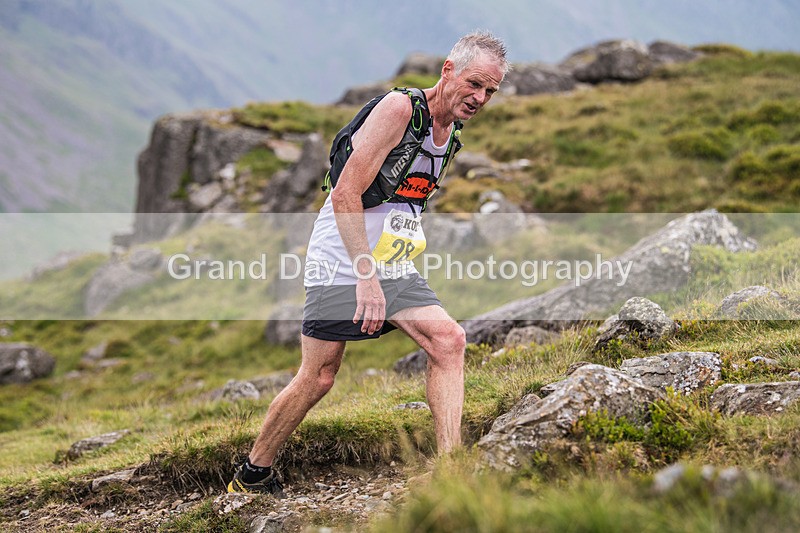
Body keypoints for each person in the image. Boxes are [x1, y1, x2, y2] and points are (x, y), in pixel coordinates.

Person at [228, 31, 508, 495]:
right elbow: (345, 193)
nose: (480, 98)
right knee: (319, 377)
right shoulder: (400, 110)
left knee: (449, 341)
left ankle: (451, 470)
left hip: (392, 263)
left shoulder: (451, 133)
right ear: (448, 70)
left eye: (490, 91)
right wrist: (366, 276)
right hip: (342, 258)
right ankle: (253, 474)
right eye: (474, 84)